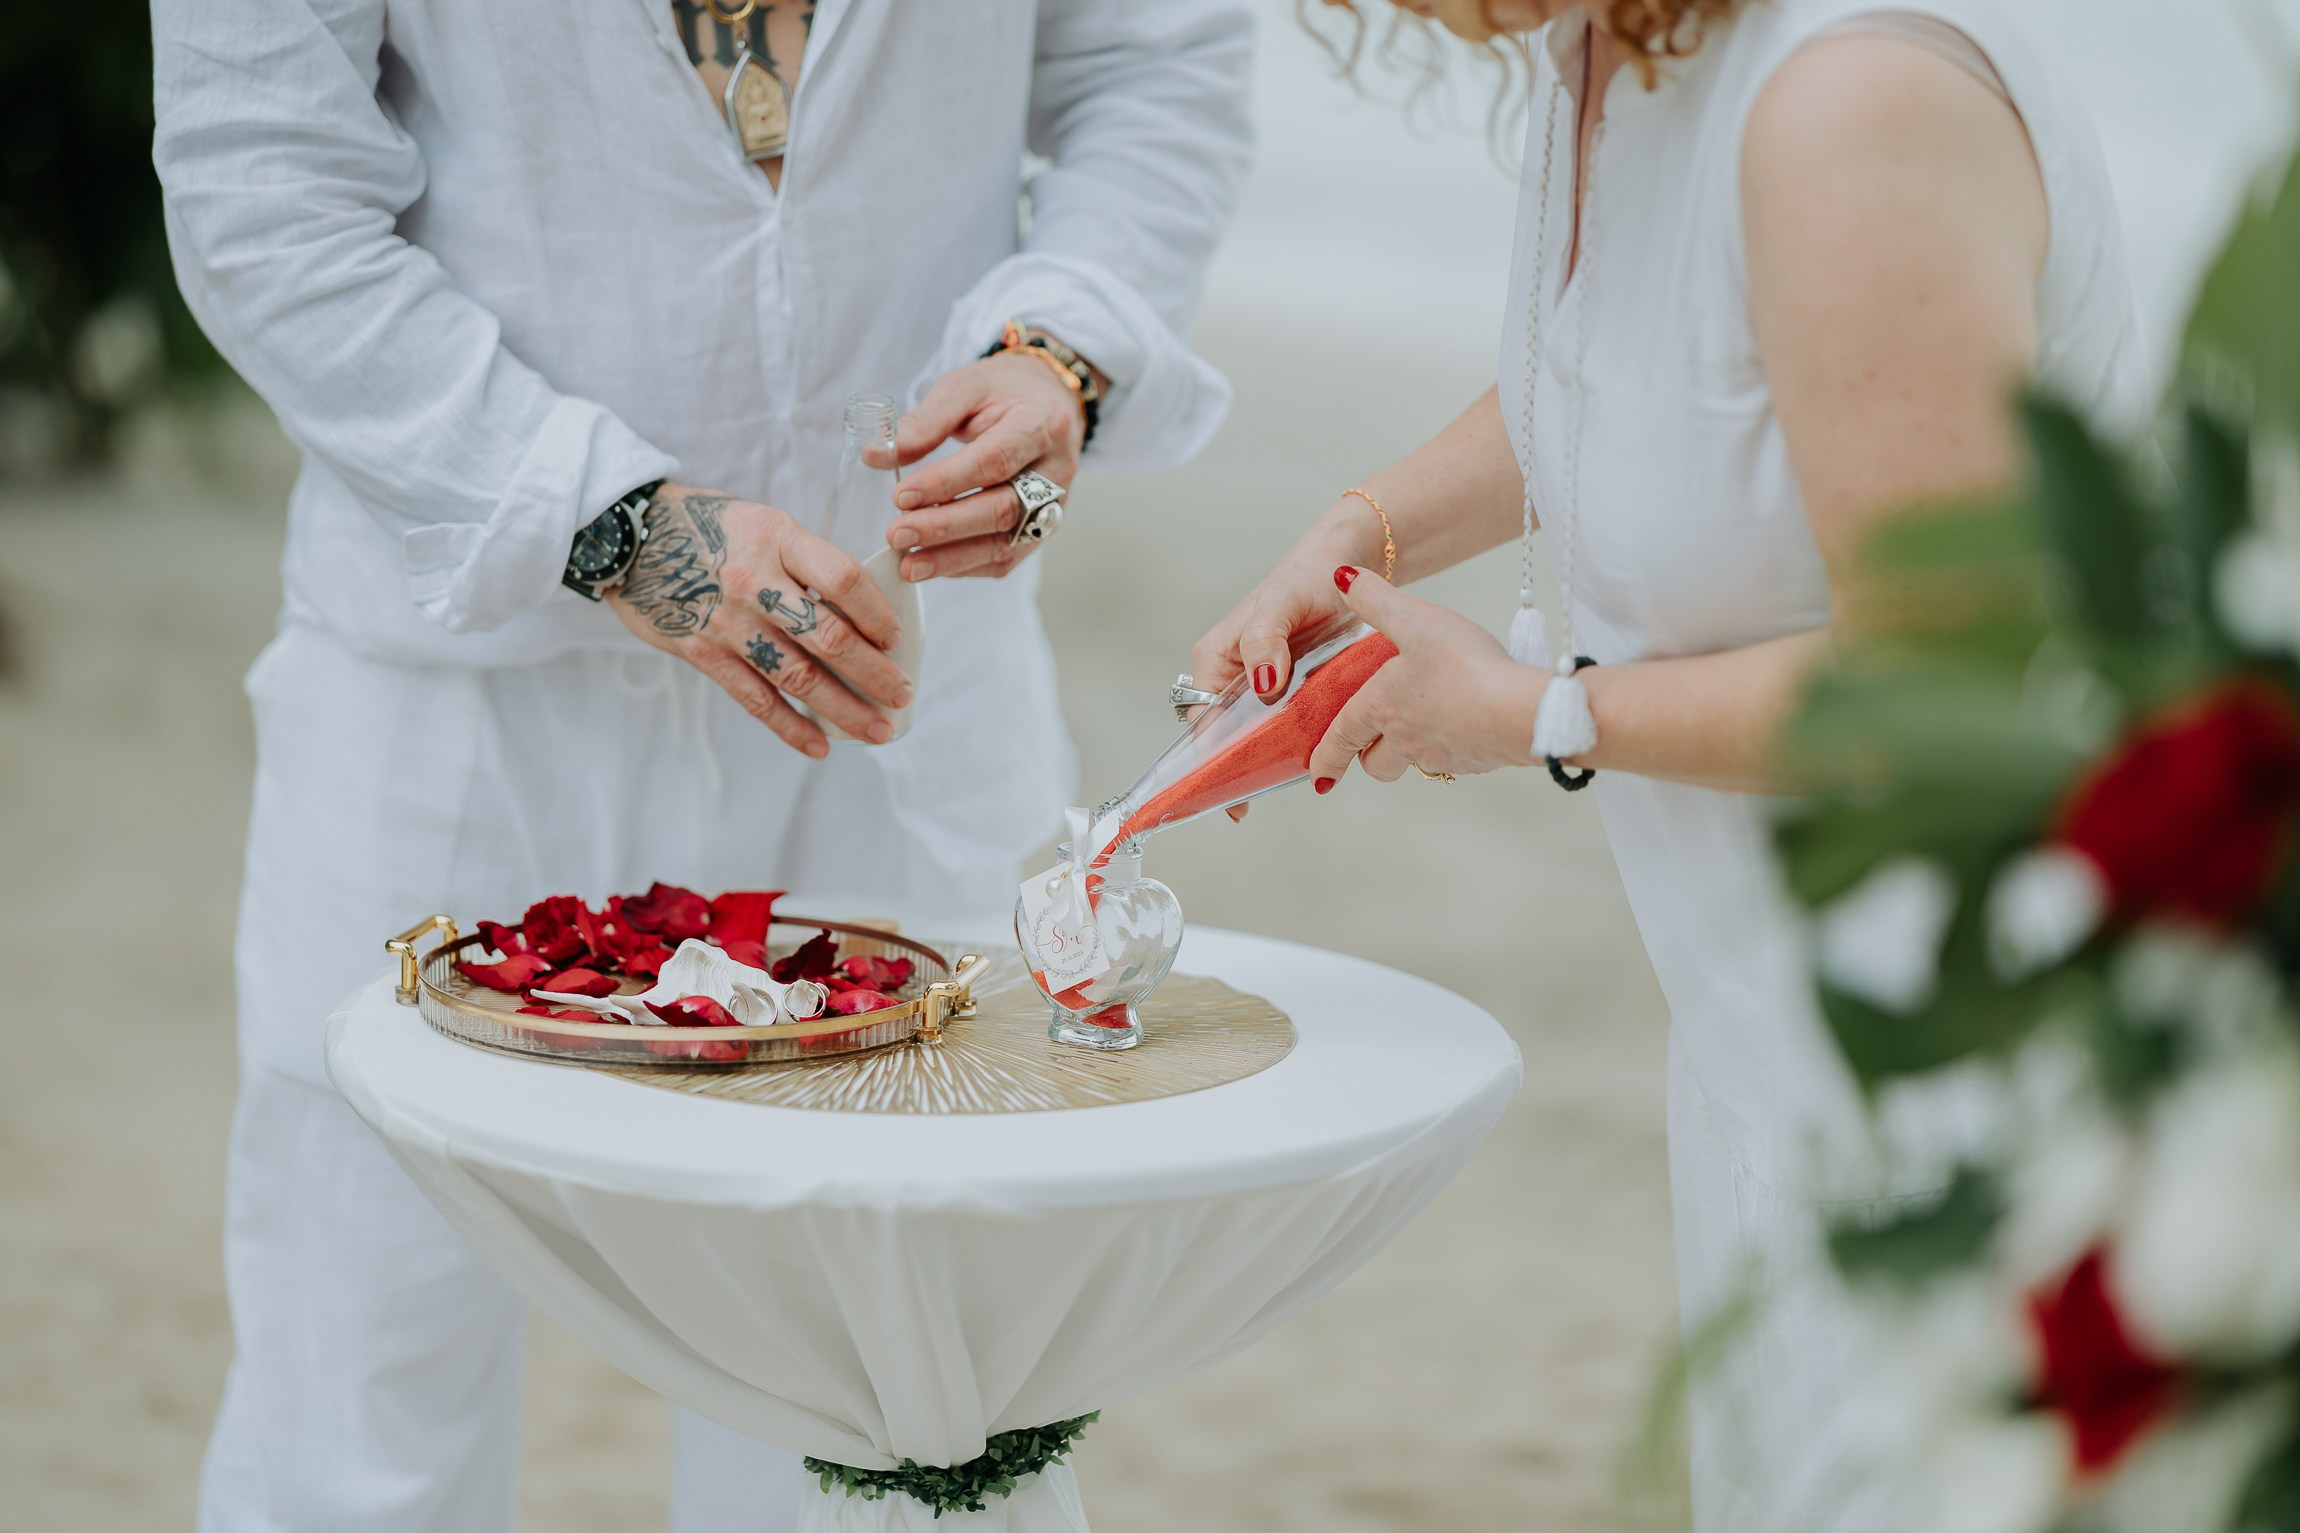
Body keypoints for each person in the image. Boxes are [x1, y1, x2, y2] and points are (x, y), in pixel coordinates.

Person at [150, 1, 1252, 1528]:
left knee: (911, 1391)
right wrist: (610, 521)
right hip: (451, 682)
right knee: (361, 1387)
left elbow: (1158, 60)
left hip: (906, 670)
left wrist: (1062, 350)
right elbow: (258, 189)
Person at [1194, 0, 2144, 1525]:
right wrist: (1355, 532)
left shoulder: (1854, 96)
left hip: (1990, 1077)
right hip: (1770, 1044)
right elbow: (1628, 365)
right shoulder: (1611, 41)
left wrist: (1535, 713)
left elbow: (1954, 671)